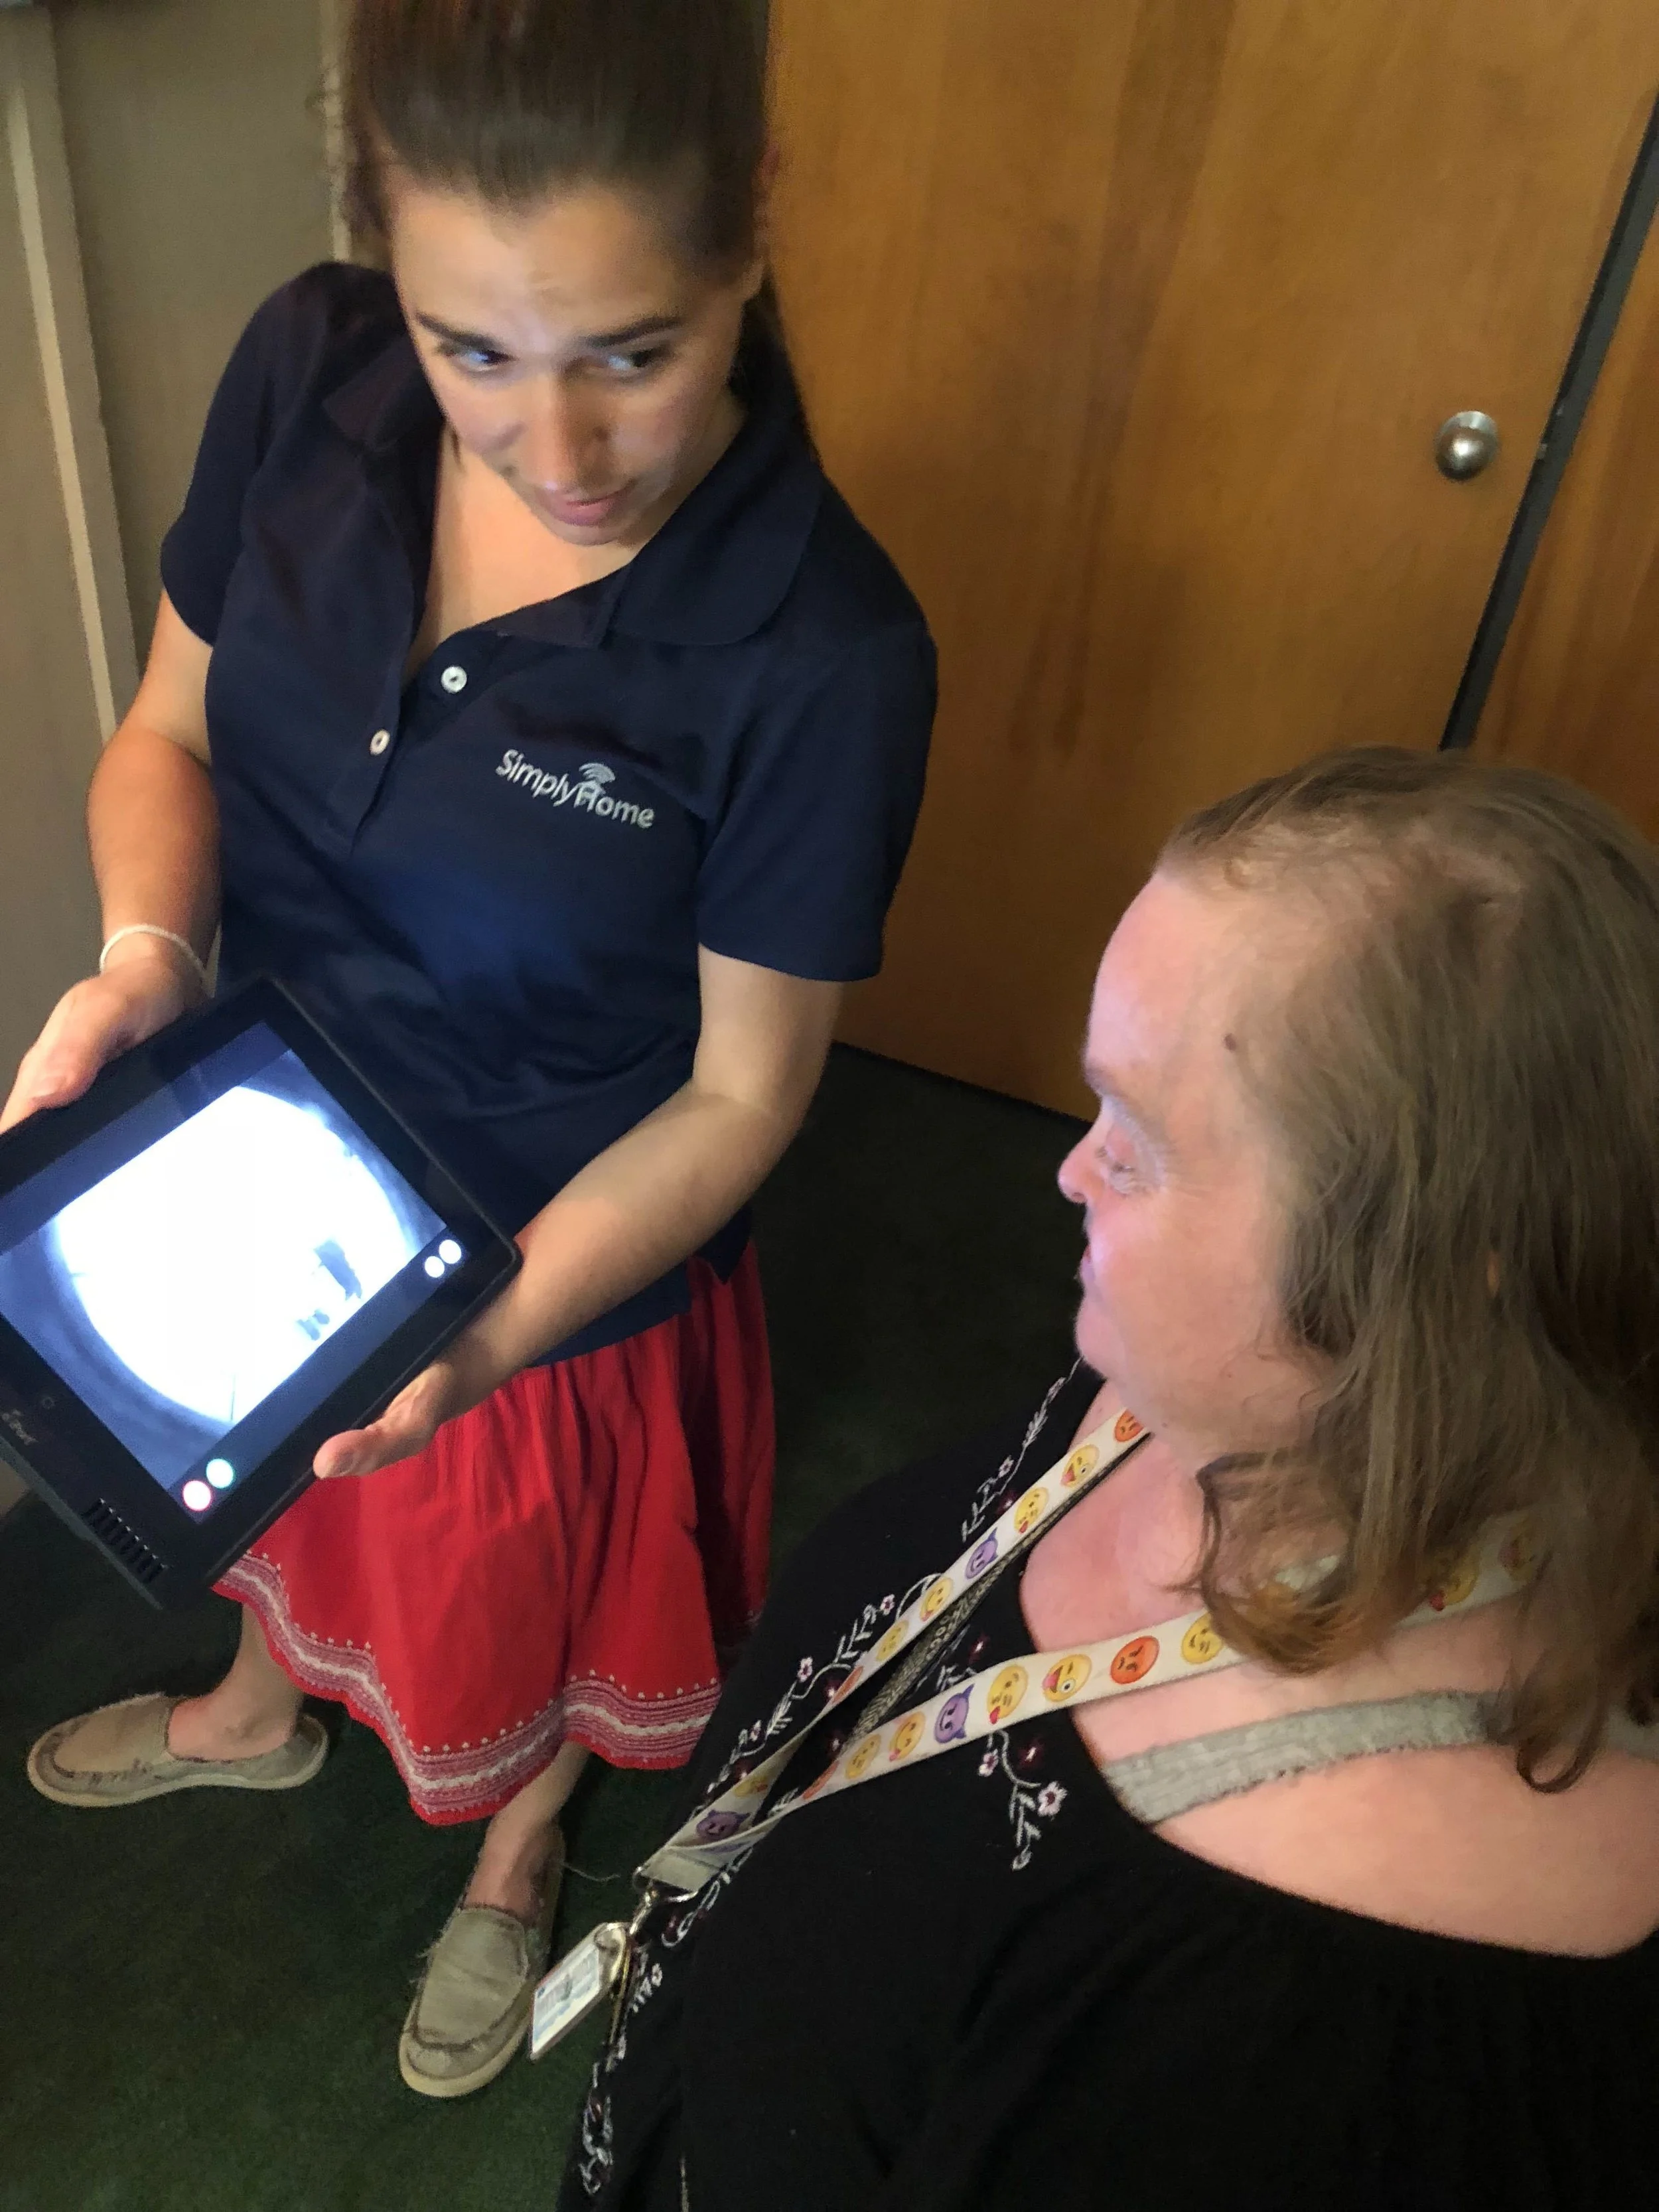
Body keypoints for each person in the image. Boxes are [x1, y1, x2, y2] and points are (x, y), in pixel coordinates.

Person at [14, 0, 934, 2099]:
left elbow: (743, 1091)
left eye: (633, 351)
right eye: (474, 352)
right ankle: (261, 1706)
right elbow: (169, 732)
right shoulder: (304, 368)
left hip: (558, 1253)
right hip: (267, 1154)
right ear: (384, 274)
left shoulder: (823, 651)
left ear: (748, 231)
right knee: (282, 1501)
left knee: (521, 1586)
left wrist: (495, 1335)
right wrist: (147, 955)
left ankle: (520, 1838)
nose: (558, 446)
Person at [562, 746, 1659, 2211]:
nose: (1070, 1173)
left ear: (1427, 1273)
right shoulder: (1195, 1389)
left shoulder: (1295, 2053)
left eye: (1135, 1147)